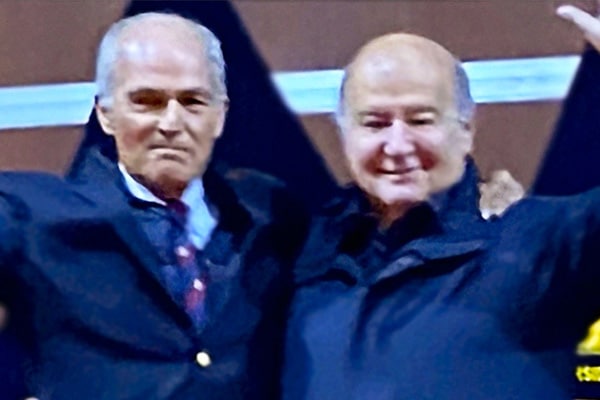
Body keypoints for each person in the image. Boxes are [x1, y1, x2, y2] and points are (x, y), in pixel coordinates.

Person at [283, 6, 600, 400]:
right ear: (344, 133)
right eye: (375, 123)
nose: (397, 145)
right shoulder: (295, 248)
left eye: (420, 120)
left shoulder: (544, 243)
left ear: (466, 129)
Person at [0, 12, 305, 399]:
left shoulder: (270, 215)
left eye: (193, 102)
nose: (172, 123)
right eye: (147, 101)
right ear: (105, 114)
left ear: (220, 115)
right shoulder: (34, 220)